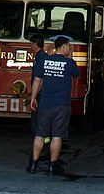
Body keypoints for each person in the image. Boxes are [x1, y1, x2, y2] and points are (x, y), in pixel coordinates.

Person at [26, 35, 80, 176]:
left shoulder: (44, 61)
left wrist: (33, 98)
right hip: (62, 105)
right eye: (69, 46)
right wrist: (69, 58)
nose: (70, 48)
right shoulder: (70, 63)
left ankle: (33, 165)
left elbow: (37, 80)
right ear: (64, 47)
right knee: (57, 136)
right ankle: (53, 165)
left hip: (45, 103)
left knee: (40, 134)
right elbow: (77, 76)